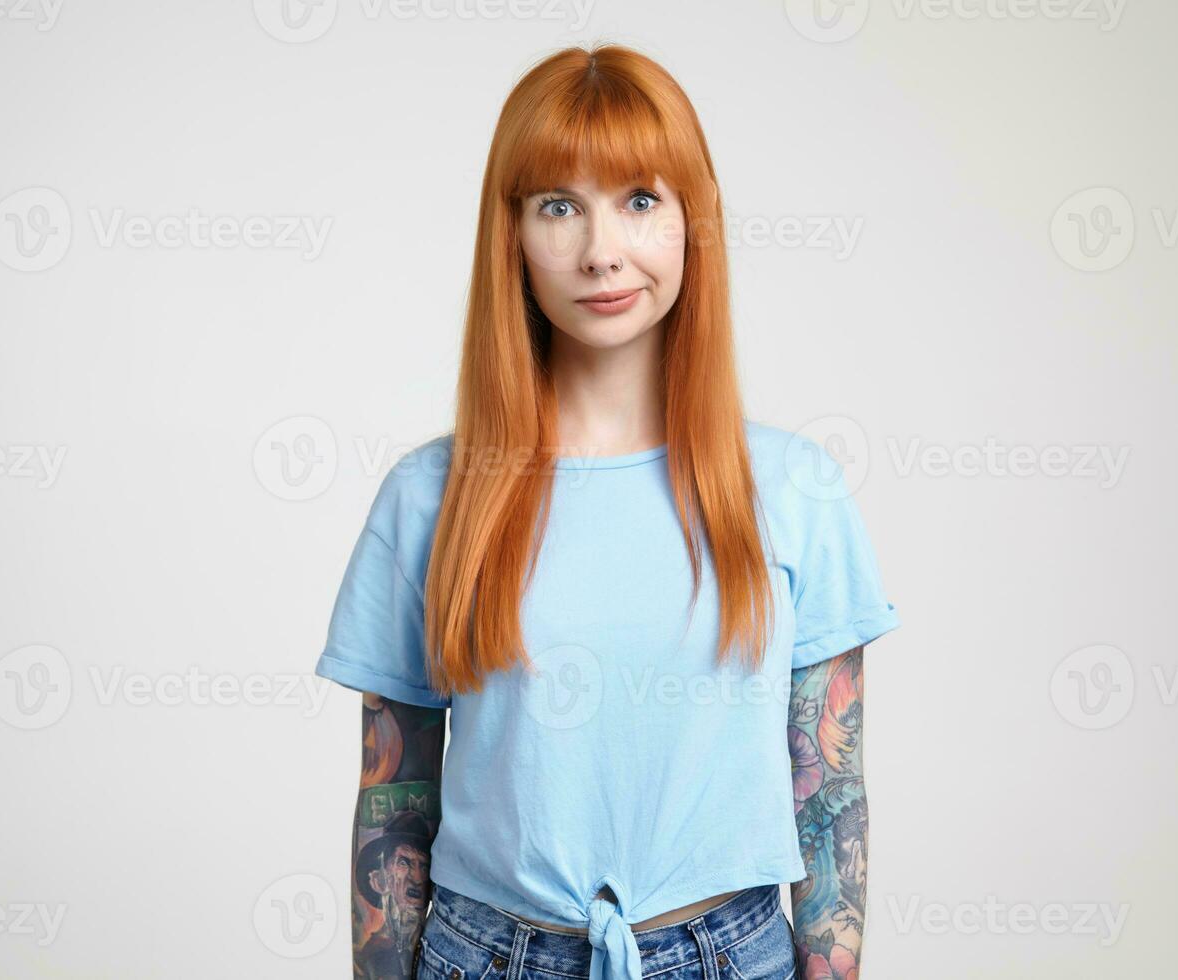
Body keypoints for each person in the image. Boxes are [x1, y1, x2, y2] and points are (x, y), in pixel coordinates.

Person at [314, 42, 901, 980]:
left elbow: (828, 798)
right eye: (559, 206)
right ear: (511, 234)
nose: (601, 251)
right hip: (485, 954)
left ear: (689, 222)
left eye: (639, 200)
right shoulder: (430, 497)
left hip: (731, 954)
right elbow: (396, 805)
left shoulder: (794, 491)